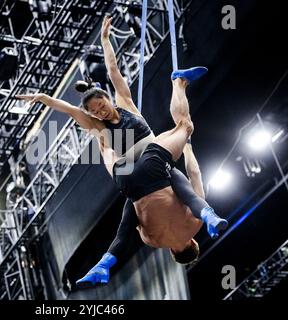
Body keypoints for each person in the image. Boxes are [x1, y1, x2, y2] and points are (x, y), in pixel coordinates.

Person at [16, 15, 228, 287]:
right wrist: (46, 100)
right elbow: (72, 109)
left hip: (133, 171)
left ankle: (177, 82)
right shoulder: (99, 123)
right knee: (178, 133)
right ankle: (206, 214)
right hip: (147, 162)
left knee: (179, 134)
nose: (100, 110)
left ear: (106, 98)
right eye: (94, 110)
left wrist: (105, 41)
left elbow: (114, 70)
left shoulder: (124, 103)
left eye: (100, 105)